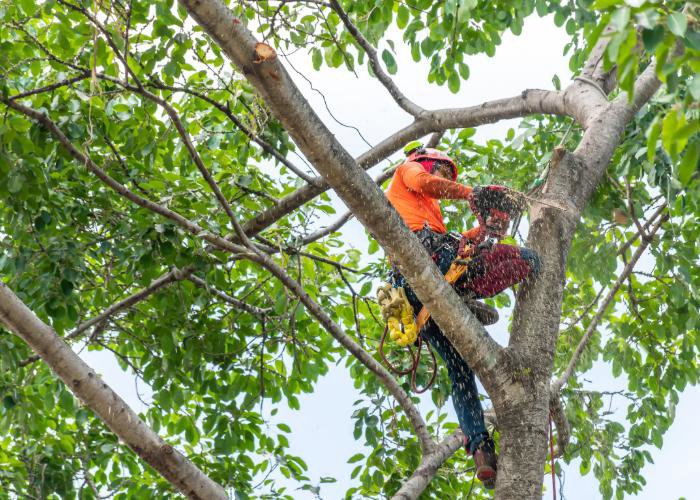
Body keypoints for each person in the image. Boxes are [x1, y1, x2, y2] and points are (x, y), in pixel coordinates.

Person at [384, 146, 541, 489]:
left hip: (428, 292)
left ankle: (480, 449)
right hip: (424, 263)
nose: (444, 179)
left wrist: (484, 230)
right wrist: (473, 192)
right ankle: (463, 297)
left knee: (460, 371)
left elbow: (457, 243)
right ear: (429, 162)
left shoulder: (427, 210)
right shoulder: (409, 172)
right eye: (443, 171)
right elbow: (427, 183)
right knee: (526, 258)